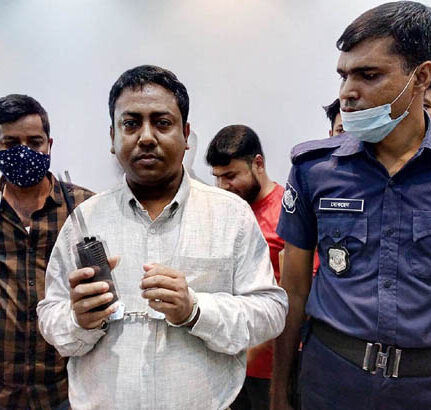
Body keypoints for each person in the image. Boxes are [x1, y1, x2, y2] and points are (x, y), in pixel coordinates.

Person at [37, 65, 288, 410]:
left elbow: (271, 311)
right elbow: (50, 316)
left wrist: (195, 310)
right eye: (130, 124)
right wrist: (78, 320)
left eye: (162, 123)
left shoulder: (231, 216)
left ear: (186, 135)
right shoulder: (85, 220)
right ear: (112, 137)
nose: (146, 137)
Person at [270, 2, 431, 409]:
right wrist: (280, 390)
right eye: (344, 75)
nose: (347, 92)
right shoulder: (315, 169)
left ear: (421, 76)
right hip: (332, 379)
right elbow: (293, 290)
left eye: (369, 75)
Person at [0, 94, 94, 409]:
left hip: (66, 391)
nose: (23, 151)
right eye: (10, 143)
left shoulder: (84, 208)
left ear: (49, 145)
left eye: (34, 142)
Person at [206, 124, 284, 410]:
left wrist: (250, 356)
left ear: (258, 164)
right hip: (228, 360)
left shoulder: (287, 213)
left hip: (270, 368)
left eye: (231, 176)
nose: (223, 186)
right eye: (217, 177)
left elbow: (294, 299)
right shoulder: (227, 212)